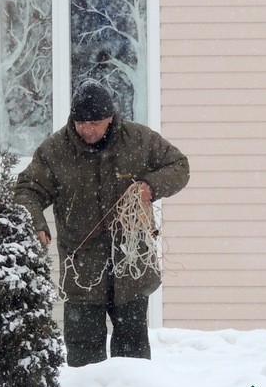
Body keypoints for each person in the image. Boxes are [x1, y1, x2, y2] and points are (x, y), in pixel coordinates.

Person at [14, 80, 189, 367]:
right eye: (81, 122)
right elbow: (27, 189)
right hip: (81, 269)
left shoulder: (139, 141)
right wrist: (37, 223)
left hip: (131, 267)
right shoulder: (56, 151)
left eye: (95, 122)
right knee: (83, 353)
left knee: (132, 352)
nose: (88, 129)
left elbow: (180, 166)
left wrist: (151, 186)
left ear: (110, 118)